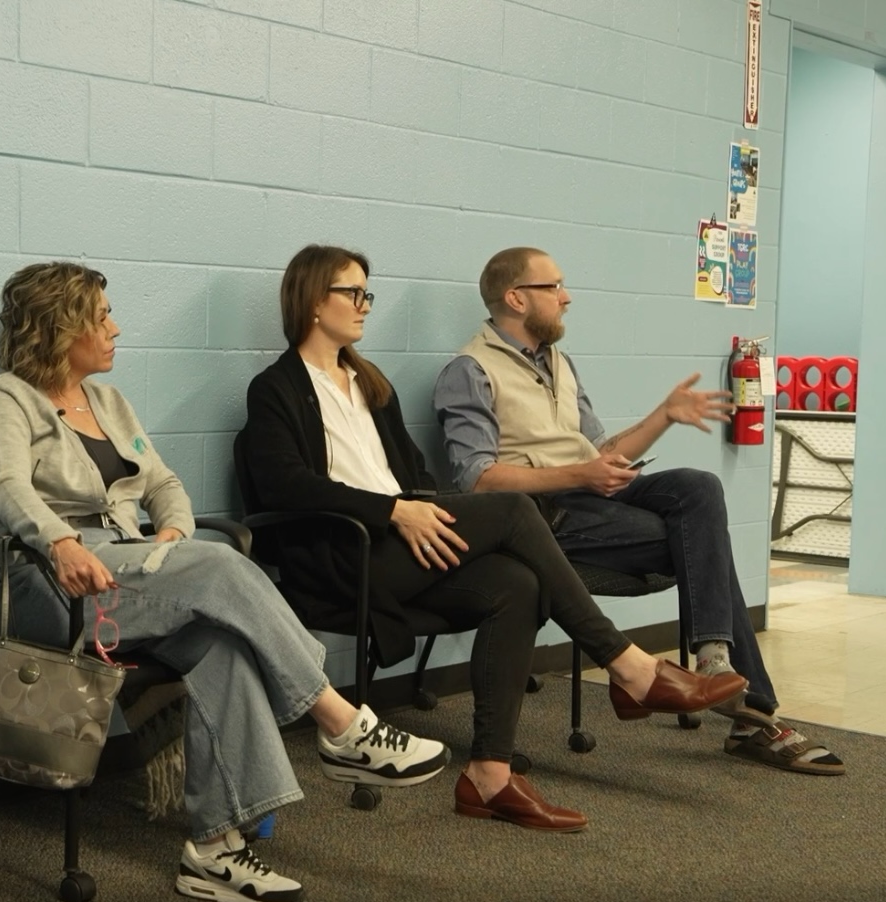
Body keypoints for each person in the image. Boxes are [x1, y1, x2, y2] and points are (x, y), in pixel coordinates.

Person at [0, 261, 448, 902]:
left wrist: (174, 531)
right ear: (59, 326)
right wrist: (62, 541)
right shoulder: (7, 398)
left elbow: (162, 482)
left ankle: (214, 851)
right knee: (220, 566)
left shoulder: (107, 402)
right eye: (102, 316)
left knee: (221, 642)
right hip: (47, 581)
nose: (116, 327)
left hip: (129, 564)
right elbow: (6, 486)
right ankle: (338, 722)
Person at [241, 244, 755, 831]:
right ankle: (629, 668)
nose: (364, 306)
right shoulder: (276, 388)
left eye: (367, 294)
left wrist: (419, 509)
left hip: (406, 543)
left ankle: (490, 775)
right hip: (349, 553)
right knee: (512, 509)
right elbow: (285, 485)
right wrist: (393, 514)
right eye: (351, 293)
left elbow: (416, 476)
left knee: (519, 582)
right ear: (312, 301)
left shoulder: (368, 383)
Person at [434, 246, 844, 776]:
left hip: (592, 493)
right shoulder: (469, 371)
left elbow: (605, 455)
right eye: (553, 287)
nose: (567, 297)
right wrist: (578, 475)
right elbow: (478, 479)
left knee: (698, 489)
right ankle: (753, 717)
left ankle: (715, 661)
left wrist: (665, 415)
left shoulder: (558, 363)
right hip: (540, 515)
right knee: (702, 548)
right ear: (515, 298)